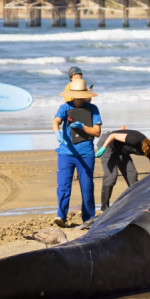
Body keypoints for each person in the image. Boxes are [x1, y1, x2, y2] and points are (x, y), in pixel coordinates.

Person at [53, 79, 102, 227]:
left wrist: (83, 127)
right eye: (75, 95)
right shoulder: (64, 107)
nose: (77, 98)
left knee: (87, 188)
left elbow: (97, 132)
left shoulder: (93, 109)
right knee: (63, 186)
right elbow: (56, 121)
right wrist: (57, 133)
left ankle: (88, 218)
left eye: (80, 95)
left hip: (86, 154)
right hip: (66, 153)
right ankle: (61, 216)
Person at [95, 130, 150, 211]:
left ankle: (136, 203)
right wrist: (103, 148)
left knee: (132, 175)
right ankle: (104, 208)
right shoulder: (137, 139)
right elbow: (113, 135)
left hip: (120, 150)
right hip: (107, 142)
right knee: (111, 175)